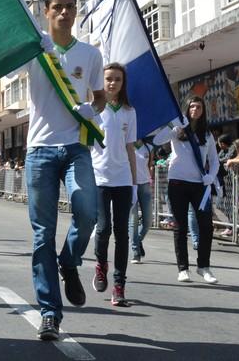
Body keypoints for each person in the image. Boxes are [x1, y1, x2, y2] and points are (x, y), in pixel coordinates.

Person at [24, 0, 105, 341]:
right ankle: (49, 314)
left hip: (75, 147)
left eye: (70, 7)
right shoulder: (33, 48)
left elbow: (100, 96)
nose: (64, 13)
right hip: (39, 149)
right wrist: (30, 48)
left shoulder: (90, 54)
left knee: (88, 212)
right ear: (46, 11)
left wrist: (94, 109)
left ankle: (69, 261)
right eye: (57, 7)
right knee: (42, 234)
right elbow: (0, 66)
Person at [157, 96, 220, 284]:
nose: (195, 109)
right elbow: (158, 140)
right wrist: (173, 124)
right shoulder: (177, 130)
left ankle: (204, 267)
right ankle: (182, 268)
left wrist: (211, 176)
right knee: (180, 226)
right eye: (192, 106)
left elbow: (215, 160)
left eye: (199, 107)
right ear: (186, 109)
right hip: (177, 182)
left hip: (199, 185)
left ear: (203, 110)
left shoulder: (207, 135)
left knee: (206, 226)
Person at [91, 62, 137, 306]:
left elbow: (130, 148)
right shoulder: (94, 110)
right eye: (108, 78)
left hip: (122, 180)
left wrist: (135, 181)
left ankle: (119, 285)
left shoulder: (130, 112)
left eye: (117, 79)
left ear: (123, 83)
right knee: (103, 228)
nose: (112, 83)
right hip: (99, 178)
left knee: (122, 233)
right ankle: (101, 265)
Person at [129, 136, 154, 264]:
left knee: (148, 221)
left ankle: (137, 241)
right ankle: (135, 252)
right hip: (130, 185)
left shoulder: (148, 147)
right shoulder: (127, 146)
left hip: (145, 185)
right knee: (133, 220)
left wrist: (151, 180)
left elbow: (150, 165)